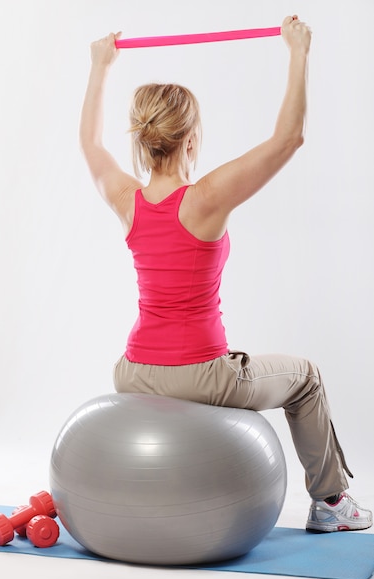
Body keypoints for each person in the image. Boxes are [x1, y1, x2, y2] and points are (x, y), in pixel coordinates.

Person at [79, 16, 372, 533]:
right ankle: (332, 505)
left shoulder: (127, 199)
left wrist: (99, 66)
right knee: (305, 377)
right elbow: (289, 138)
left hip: (134, 370)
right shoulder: (207, 198)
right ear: (190, 139)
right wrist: (297, 51)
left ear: (146, 142)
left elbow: (90, 144)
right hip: (201, 373)